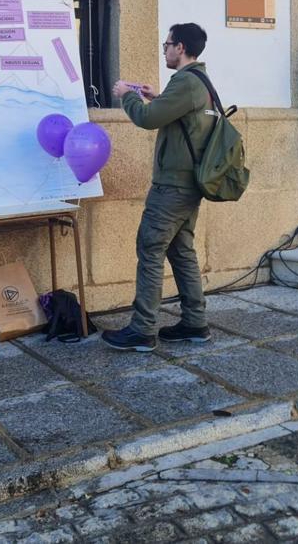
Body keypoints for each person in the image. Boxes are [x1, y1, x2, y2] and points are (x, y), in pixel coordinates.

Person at [102, 23, 216, 352]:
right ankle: (195, 323)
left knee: (150, 249)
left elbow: (148, 119)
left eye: (167, 44)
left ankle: (142, 330)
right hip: (187, 185)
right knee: (181, 252)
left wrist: (127, 96)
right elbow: (178, 117)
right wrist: (157, 98)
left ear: (180, 47)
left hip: (172, 187)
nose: (164, 50)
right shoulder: (200, 80)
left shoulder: (185, 81)